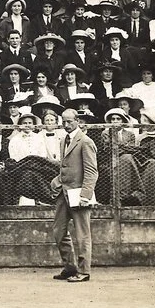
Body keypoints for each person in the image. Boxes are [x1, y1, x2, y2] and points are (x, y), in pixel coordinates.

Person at [51, 108, 98, 282]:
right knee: (58, 231)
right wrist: (56, 182)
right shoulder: (64, 140)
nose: (66, 125)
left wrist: (85, 195)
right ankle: (70, 267)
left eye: (70, 121)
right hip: (64, 193)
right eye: (63, 121)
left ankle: (84, 271)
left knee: (82, 234)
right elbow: (65, 167)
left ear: (78, 121)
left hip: (79, 194)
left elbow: (92, 171)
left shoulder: (85, 141)